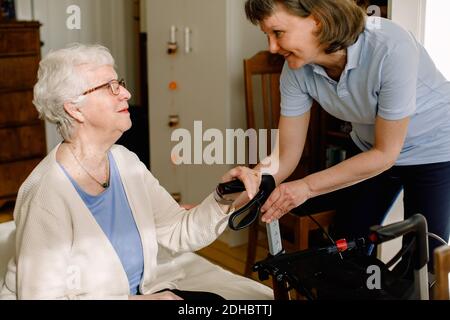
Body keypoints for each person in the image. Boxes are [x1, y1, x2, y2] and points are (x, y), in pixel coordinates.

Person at [0, 43, 265, 300]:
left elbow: (177, 230)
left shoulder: (125, 161)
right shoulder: (46, 191)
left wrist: (223, 197)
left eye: (120, 84)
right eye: (109, 87)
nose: (125, 94)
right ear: (75, 108)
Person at [245, 0, 450, 267]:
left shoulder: (390, 46)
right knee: (343, 250)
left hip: (433, 148)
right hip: (369, 148)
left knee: (424, 261)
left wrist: (306, 187)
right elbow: (285, 156)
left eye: (278, 33)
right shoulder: (296, 69)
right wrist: (226, 200)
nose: (271, 47)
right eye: (267, 36)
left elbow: (386, 154)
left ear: (317, 19)